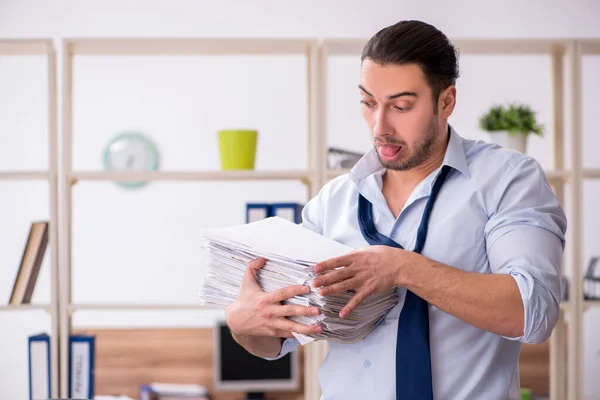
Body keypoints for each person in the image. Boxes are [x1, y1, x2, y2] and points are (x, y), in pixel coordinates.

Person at [225, 20, 567, 400]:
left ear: (446, 101)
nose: (379, 126)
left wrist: (404, 269)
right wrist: (244, 324)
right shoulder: (332, 203)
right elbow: (277, 343)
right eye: (368, 103)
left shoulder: (507, 180)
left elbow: (533, 312)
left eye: (401, 106)